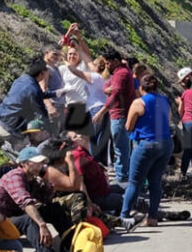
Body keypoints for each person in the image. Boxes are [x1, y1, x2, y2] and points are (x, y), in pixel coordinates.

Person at [0, 146, 79, 252]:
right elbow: (25, 203)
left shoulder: (31, 178)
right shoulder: (15, 177)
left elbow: (47, 199)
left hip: (13, 217)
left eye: (42, 163)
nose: (40, 166)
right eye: (36, 163)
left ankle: (70, 250)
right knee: (28, 220)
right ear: (23, 164)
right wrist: (42, 225)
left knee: (54, 209)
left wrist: (45, 181)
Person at [121, 75, 173, 227]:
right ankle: (152, 217)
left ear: (141, 88)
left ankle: (123, 216)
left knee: (134, 183)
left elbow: (128, 126)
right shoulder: (164, 100)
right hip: (166, 143)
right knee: (155, 181)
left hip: (147, 144)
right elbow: (168, 119)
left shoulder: (139, 102)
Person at [58, 25, 108, 157]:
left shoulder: (82, 66)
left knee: (78, 136)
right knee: (76, 136)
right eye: (69, 54)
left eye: (74, 54)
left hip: (83, 105)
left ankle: (92, 159)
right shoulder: (63, 68)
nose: (72, 56)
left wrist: (79, 38)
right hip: (71, 105)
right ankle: (89, 158)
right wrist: (68, 33)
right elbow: (61, 47)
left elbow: (86, 53)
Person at [0, 59, 61, 153]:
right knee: (28, 154)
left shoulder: (23, 79)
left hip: (1, 121)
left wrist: (56, 93)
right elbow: (41, 113)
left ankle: (10, 149)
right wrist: (52, 131)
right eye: (46, 71)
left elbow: (38, 95)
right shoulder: (33, 89)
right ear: (42, 73)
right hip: (10, 128)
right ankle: (12, 151)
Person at [94, 50, 134, 180]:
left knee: (120, 148)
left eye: (108, 63)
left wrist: (101, 112)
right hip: (120, 115)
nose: (106, 66)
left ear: (116, 61)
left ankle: (122, 177)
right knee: (122, 147)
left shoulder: (121, 74)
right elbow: (107, 85)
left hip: (119, 115)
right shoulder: (120, 72)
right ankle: (124, 175)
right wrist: (106, 90)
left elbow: (115, 94)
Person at [43, 49, 65, 136]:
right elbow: (42, 89)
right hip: (53, 106)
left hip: (60, 105)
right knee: (52, 134)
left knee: (59, 133)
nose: (56, 57)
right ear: (46, 52)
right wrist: (49, 106)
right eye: (54, 54)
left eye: (58, 55)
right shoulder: (46, 69)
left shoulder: (55, 68)